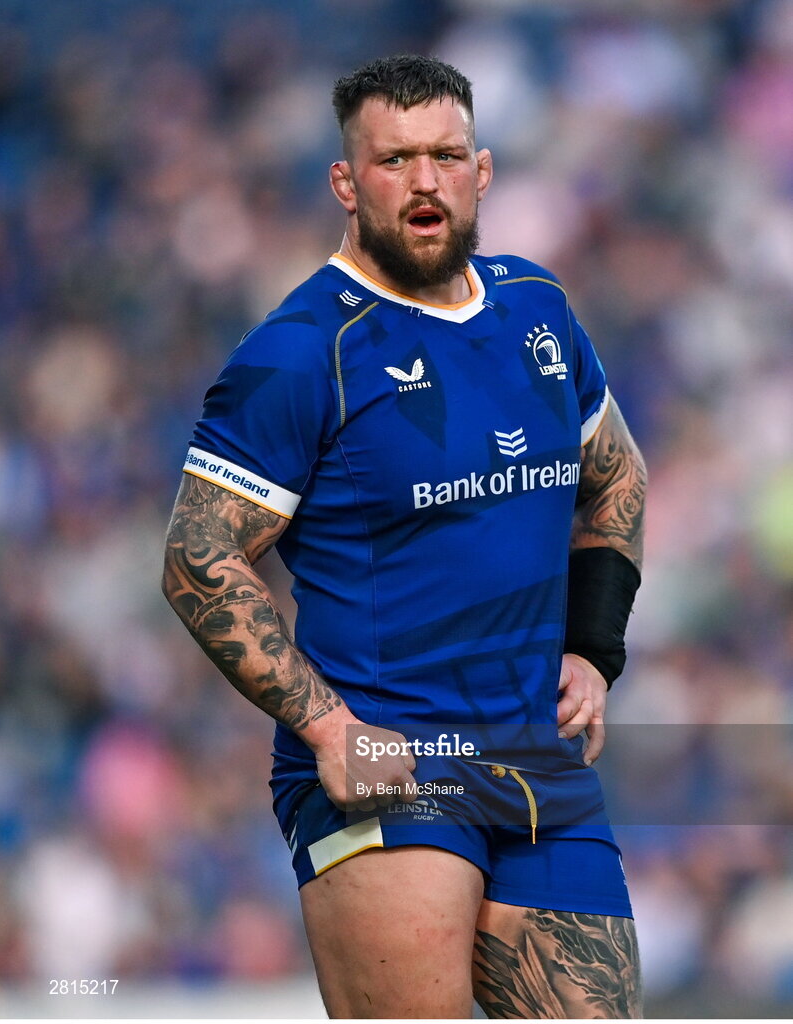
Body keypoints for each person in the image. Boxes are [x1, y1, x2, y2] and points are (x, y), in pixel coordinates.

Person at [162, 54, 647, 1019]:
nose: (425, 181)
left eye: (446, 155)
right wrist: (327, 726)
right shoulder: (300, 353)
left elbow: (616, 479)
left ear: (483, 169)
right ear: (346, 182)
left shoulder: (536, 308)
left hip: (536, 761)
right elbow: (196, 557)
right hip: (391, 759)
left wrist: (593, 650)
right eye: (394, 160)